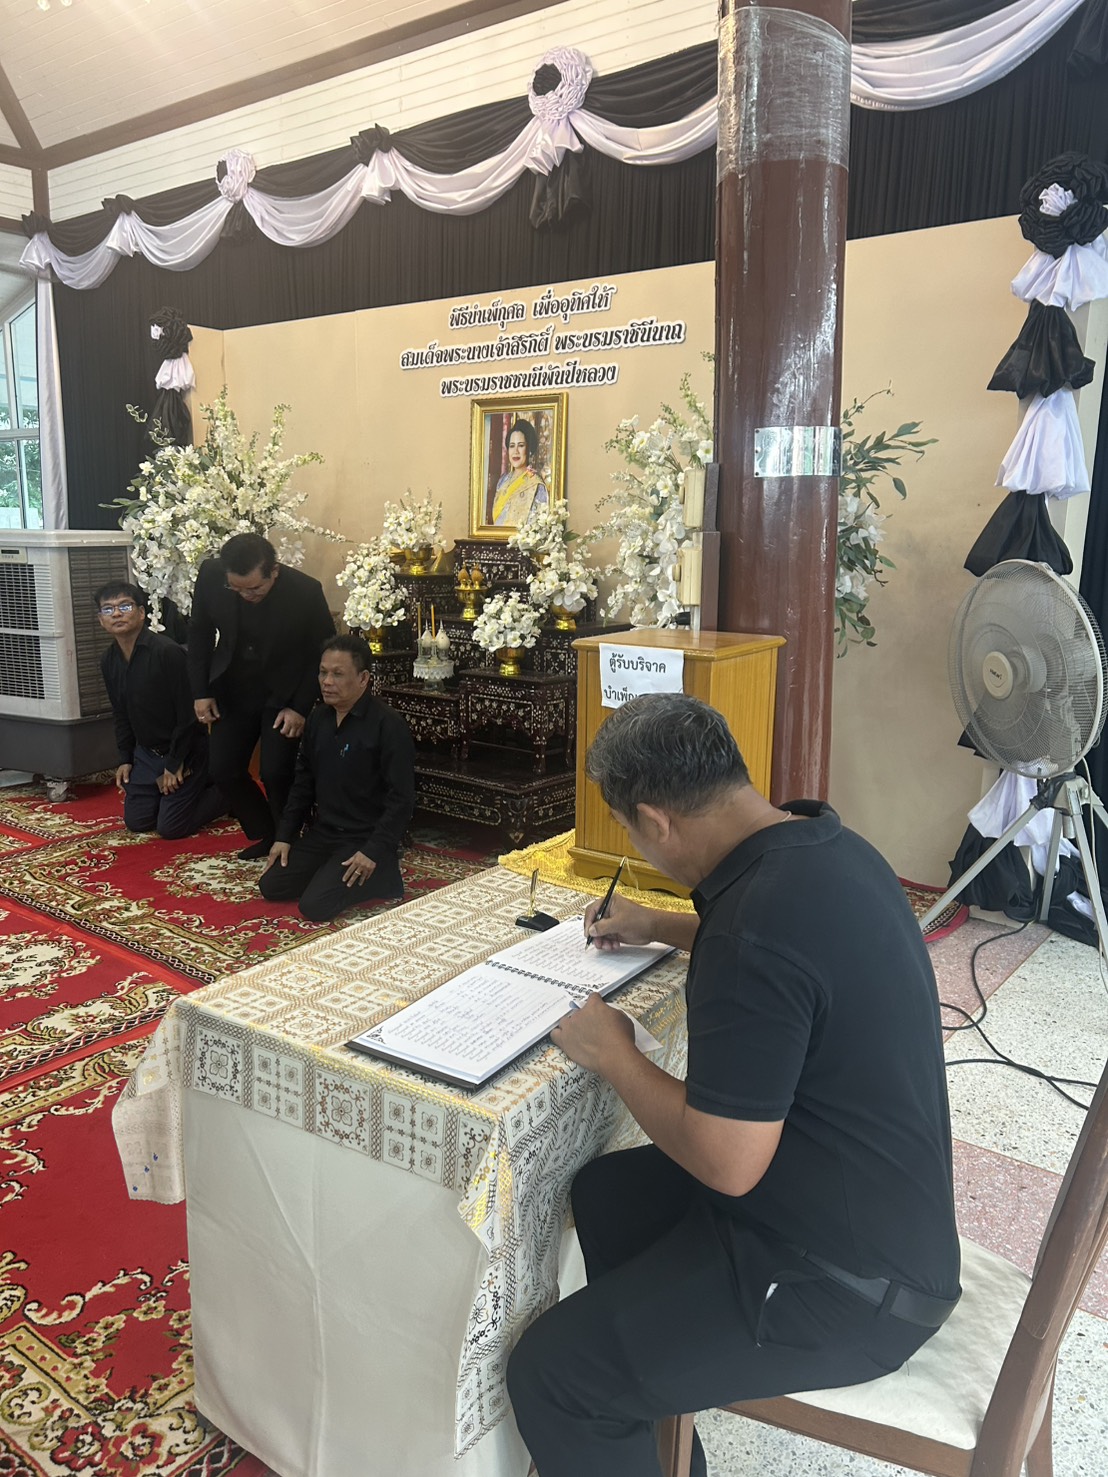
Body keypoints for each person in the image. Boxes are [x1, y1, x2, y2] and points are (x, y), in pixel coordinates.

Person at [506, 693, 961, 1477]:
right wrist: (660, 924)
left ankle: (622, 1389)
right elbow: (780, 952)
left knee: (553, 1374)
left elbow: (727, 1161)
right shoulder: (826, 845)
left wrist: (616, 1052)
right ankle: (665, 1434)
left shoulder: (753, 927)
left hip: (848, 1286)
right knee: (609, 1192)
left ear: (653, 821)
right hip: (863, 1210)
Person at [187, 532, 335, 859]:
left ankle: (290, 841)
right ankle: (268, 833)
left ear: (274, 571)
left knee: (276, 771)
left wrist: (299, 706)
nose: (245, 595)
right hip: (232, 686)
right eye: (236, 588)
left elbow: (322, 652)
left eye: (255, 588)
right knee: (223, 770)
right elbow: (199, 632)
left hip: (283, 692)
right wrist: (200, 691)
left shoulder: (305, 591)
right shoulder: (212, 574)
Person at [259, 634, 416, 921]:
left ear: (363, 678)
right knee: (271, 885)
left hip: (364, 837)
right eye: (322, 672)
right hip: (326, 833)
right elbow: (303, 783)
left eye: (338, 674)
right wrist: (284, 836)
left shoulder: (388, 726)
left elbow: (402, 799)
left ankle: (382, 873)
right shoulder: (318, 718)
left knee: (315, 906)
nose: (326, 681)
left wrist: (373, 850)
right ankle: (329, 871)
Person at [95, 581, 226, 840]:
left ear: (142, 613)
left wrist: (175, 763)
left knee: (171, 828)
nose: (117, 614)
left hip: (185, 750)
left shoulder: (167, 652)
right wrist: (125, 759)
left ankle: (223, 793)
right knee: (138, 821)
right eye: (108, 610)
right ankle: (173, 790)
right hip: (146, 754)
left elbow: (189, 715)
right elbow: (120, 713)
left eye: (125, 606)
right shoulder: (108, 661)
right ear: (101, 620)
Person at [491, 418, 549, 527]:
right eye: (512, 446)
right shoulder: (503, 481)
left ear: (529, 449)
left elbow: (538, 526)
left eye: (521, 445)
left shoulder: (536, 485)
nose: (516, 451)